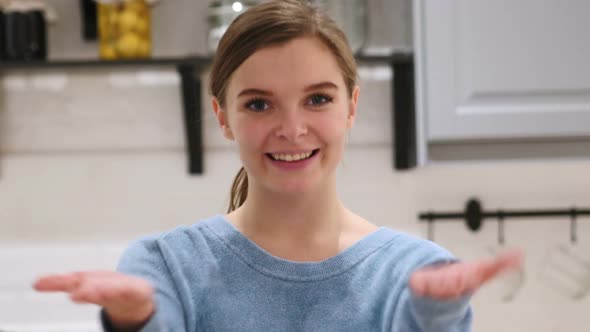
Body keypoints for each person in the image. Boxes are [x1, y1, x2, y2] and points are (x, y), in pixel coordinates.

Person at [34, 1, 522, 331]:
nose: (292, 129)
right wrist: (134, 320)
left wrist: (434, 314)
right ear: (223, 116)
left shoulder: (415, 272)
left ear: (351, 107)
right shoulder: (164, 266)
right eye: (259, 105)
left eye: (317, 99)